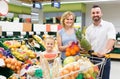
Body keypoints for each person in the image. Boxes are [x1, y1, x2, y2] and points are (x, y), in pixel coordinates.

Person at [85, 5, 116, 79]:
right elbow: (87, 45)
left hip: (104, 58)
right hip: (92, 59)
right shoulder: (88, 29)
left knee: (104, 77)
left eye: (97, 12)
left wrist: (104, 52)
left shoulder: (109, 25)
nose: (95, 14)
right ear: (91, 15)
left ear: (101, 14)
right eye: (93, 13)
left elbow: (111, 39)